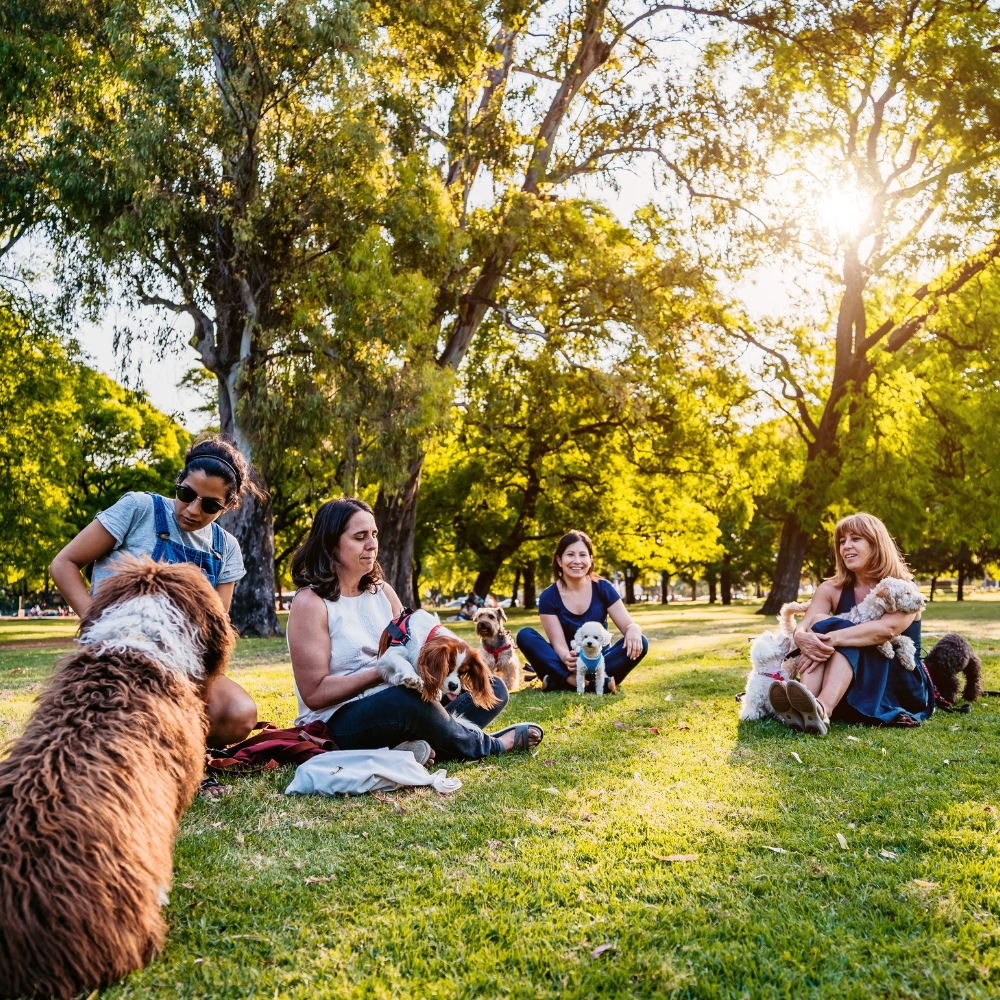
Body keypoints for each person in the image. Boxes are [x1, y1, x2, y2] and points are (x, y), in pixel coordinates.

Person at [286, 497, 543, 760]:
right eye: (360, 537)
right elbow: (315, 694)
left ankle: (411, 749)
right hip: (338, 722)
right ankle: (491, 745)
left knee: (492, 687)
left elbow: (413, 646)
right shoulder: (311, 602)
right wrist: (383, 672)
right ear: (331, 545)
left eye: (374, 534)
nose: (372, 544)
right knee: (407, 702)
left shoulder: (382, 592)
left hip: (398, 702)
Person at [49, 436, 261, 747]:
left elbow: (212, 632)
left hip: (179, 663)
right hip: (118, 652)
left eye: (210, 505)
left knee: (238, 713)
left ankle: (173, 745)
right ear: (178, 479)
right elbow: (64, 563)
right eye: (186, 493)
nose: (192, 509)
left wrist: (192, 694)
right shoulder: (138, 508)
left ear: (229, 506)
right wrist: (96, 624)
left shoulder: (225, 548)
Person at [768, 512, 933, 735]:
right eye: (842, 541)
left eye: (855, 539)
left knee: (838, 629)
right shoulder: (830, 589)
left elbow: (886, 630)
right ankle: (804, 702)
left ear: (876, 545)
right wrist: (801, 638)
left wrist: (830, 637)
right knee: (820, 623)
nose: (846, 546)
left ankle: (823, 708)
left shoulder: (903, 589)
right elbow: (806, 625)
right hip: (851, 677)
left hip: (898, 680)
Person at [516, 531, 648, 693]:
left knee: (641, 641)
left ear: (590, 559)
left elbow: (628, 626)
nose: (577, 561)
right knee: (525, 635)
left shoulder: (603, 588)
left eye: (583, 555)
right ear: (559, 560)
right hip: (565, 662)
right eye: (570, 554)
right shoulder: (548, 596)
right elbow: (558, 643)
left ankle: (560, 681)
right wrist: (566, 657)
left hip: (599, 661)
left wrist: (634, 629)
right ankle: (577, 680)